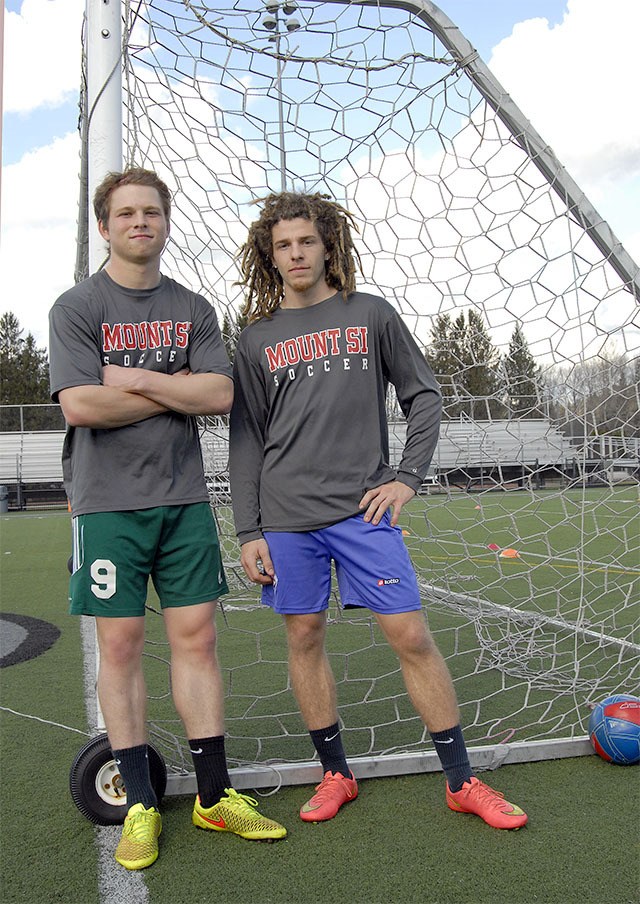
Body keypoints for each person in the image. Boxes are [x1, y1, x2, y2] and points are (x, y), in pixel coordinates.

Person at [229, 191, 527, 830]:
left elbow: (425, 396)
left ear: (327, 244)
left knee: (411, 635)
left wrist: (407, 478)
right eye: (283, 245)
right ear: (269, 255)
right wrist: (248, 528)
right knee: (304, 636)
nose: (296, 253)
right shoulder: (255, 339)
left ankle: (461, 780)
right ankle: (335, 773)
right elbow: (248, 438)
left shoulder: (370, 314)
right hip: (285, 518)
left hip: (363, 512)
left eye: (306, 241)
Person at [49, 168, 287, 871]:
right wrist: (175, 390)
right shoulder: (77, 306)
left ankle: (215, 796)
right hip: (107, 504)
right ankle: (141, 803)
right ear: (104, 226)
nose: (140, 223)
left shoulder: (193, 307)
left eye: (151, 212)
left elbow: (219, 392)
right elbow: (82, 407)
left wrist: (139, 380)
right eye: (125, 214)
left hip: (183, 500)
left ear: (165, 221)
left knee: (197, 640)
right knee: (120, 646)